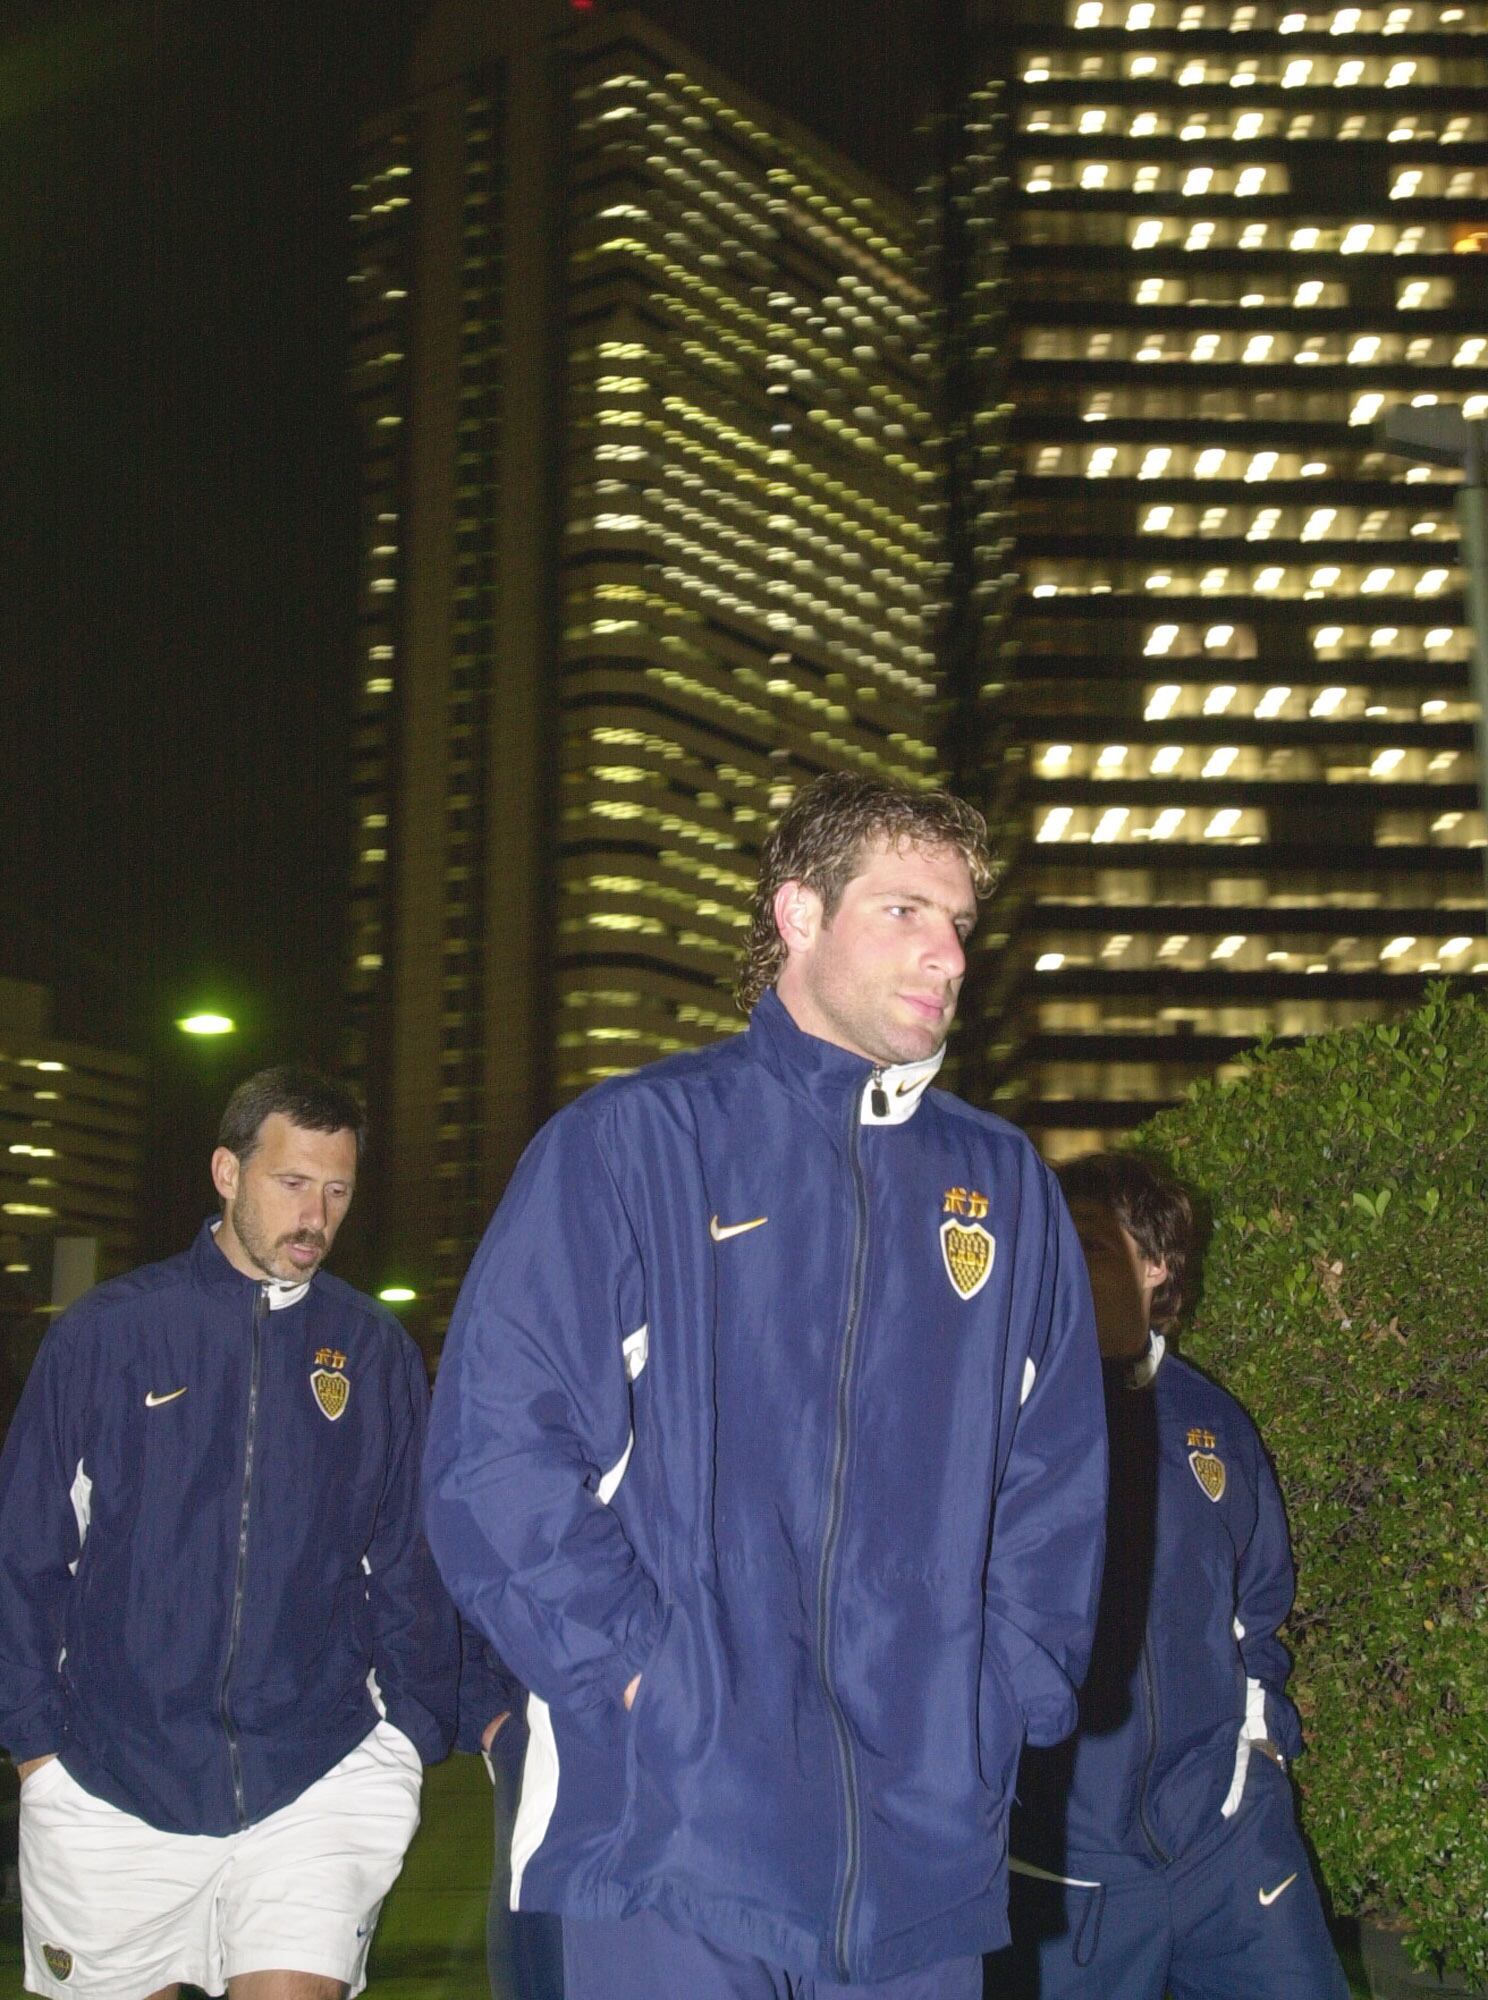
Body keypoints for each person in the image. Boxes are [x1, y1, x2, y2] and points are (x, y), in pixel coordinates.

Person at [424, 772, 1106, 2000]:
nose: (950, 953)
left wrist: (996, 1699)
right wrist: (650, 1678)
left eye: (960, 922)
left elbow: (1054, 1483)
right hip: (671, 1839)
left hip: (922, 1856)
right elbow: (494, 1457)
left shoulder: (1005, 1185)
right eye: (905, 910)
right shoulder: (635, 1142)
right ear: (799, 913)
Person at [0, 1066, 460, 2000]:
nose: (316, 1217)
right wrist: (35, 1746)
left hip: (315, 1773)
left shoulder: (371, 1351)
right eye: (292, 1183)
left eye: (337, 1191)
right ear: (226, 1172)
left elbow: (410, 1560)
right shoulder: (108, 1334)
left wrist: (409, 1733)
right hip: (110, 1778)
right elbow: (26, 1552)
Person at [990, 1152, 1349, 2000]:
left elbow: (1257, 1607)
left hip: (1227, 1842)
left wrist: (1256, 1751)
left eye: (1091, 1243)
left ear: (1155, 1264)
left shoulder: (1212, 1421)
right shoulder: (1005, 1415)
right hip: (1065, 1869)